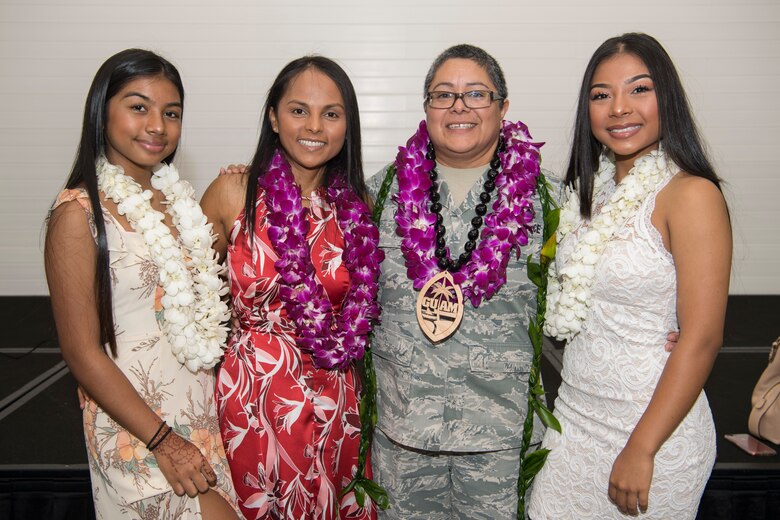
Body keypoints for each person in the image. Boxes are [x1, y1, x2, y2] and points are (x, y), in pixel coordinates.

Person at [528, 33, 731, 519]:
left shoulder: (691, 195)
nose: (620, 108)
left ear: (668, 98)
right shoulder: (581, 195)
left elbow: (702, 338)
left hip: (653, 433)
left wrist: (642, 448)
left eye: (639, 89)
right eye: (602, 95)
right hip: (573, 421)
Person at [44, 49, 239, 519]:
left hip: (201, 426)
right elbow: (81, 352)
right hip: (141, 438)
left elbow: (211, 285)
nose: (158, 125)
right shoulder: (78, 213)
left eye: (171, 113)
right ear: (101, 111)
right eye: (138, 107)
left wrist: (242, 183)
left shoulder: (180, 206)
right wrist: (163, 441)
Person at [365, 44, 547, 520]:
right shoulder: (379, 192)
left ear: (503, 107)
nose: (459, 107)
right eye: (443, 95)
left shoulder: (548, 201)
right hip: (404, 441)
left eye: (477, 94)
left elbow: (585, 300)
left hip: (501, 444)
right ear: (426, 109)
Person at [200, 56, 382, 520]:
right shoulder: (232, 193)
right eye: (299, 110)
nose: (315, 126)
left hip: (335, 398)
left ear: (347, 126)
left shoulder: (357, 206)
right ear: (273, 117)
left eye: (332, 114)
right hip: (253, 399)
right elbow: (190, 308)